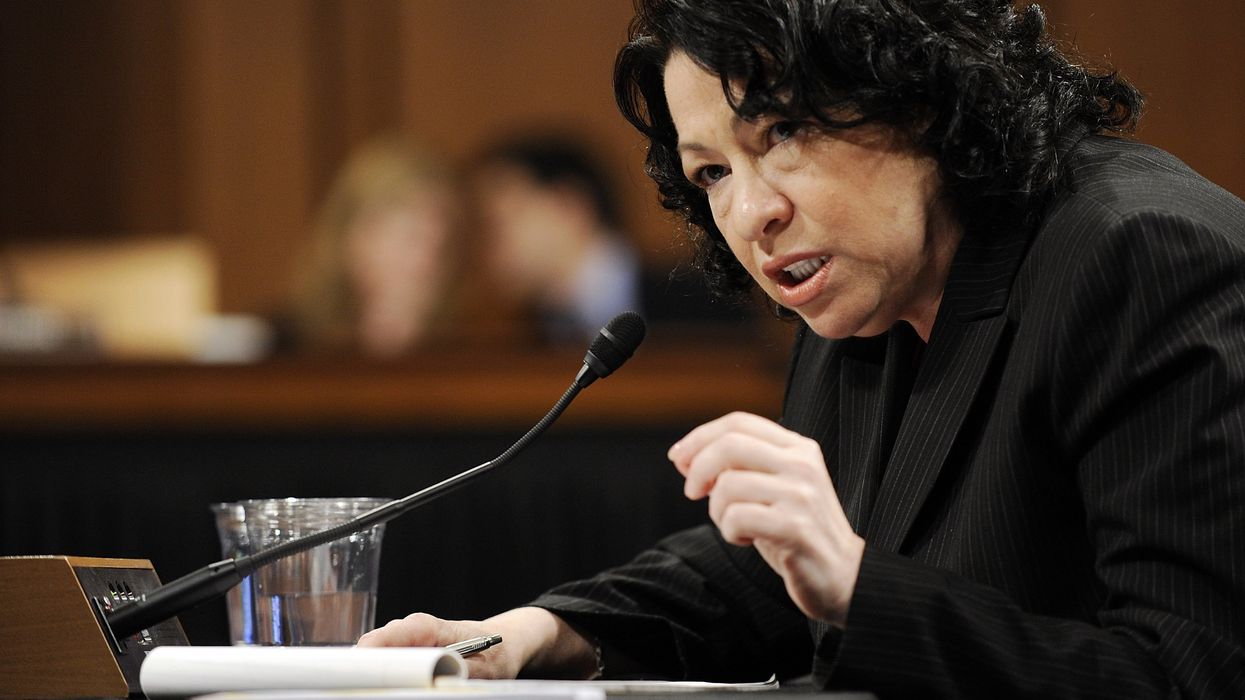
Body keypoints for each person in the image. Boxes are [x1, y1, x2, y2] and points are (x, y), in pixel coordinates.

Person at [360, 1, 1245, 696]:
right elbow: (776, 570)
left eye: (781, 131)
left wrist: (859, 589)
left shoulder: (1144, 256)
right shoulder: (862, 287)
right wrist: (535, 634)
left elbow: (1188, 674)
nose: (751, 215)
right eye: (712, 172)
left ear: (920, 89)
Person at [289, 136, 459, 358]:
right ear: (353, 235)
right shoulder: (284, 344)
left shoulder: (473, 349)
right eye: (411, 238)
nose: (427, 261)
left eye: (442, 245)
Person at [471, 136, 644, 344]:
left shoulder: (679, 299)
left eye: (498, 223)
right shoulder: (519, 339)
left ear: (569, 206)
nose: (485, 247)